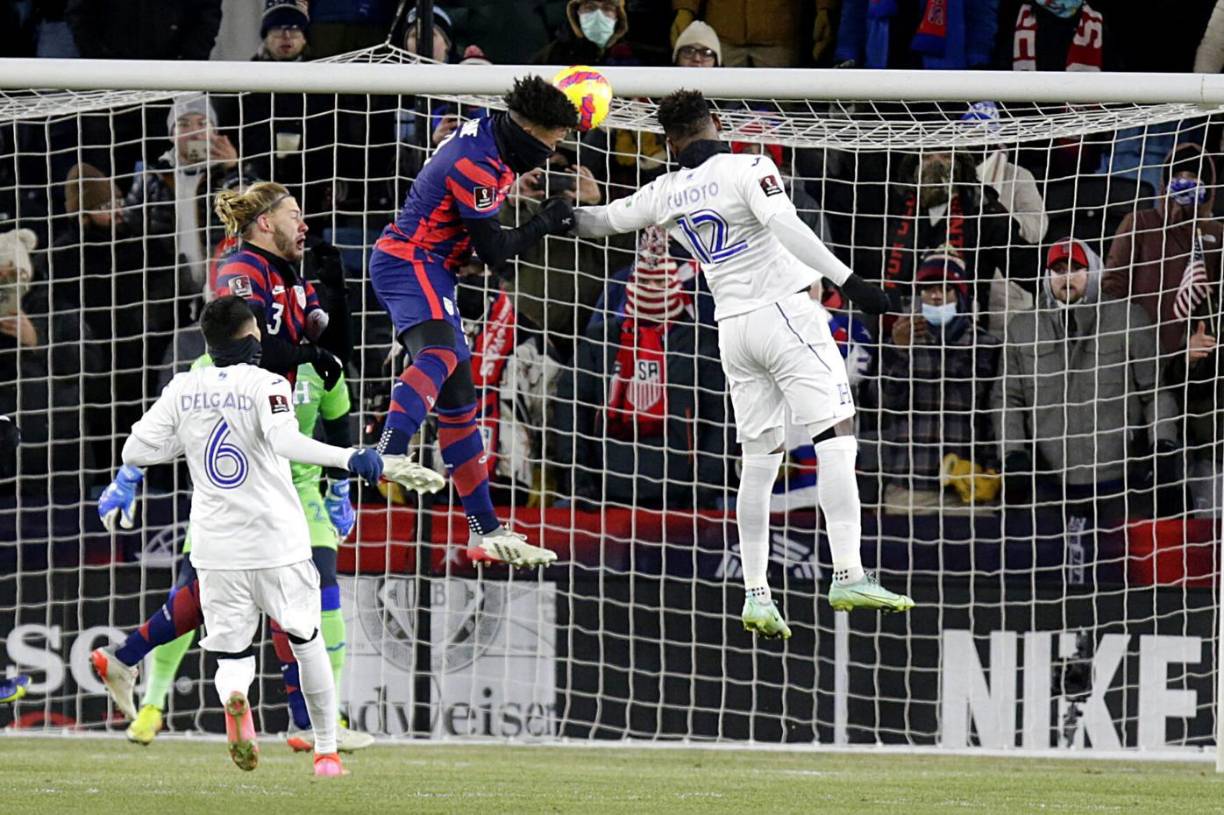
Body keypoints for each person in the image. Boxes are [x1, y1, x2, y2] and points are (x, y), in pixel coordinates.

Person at [573, 90, 914, 637]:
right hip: (785, 312)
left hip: (733, 330)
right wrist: (852, 283)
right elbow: (785, 226)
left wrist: (543, 219)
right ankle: (848, 571)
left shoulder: (664, 190)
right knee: (836, 437)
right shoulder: (748, 166)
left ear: (669, 139)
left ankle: (757, 591)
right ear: (717, 122)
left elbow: (597, 221)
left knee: (759, 462)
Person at [93, 295, 385, 777]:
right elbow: (284, 441)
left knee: (231, 651)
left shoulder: (183, 388)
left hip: (215, 548)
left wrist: (157, 460)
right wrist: (348, 457)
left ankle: (233, 698)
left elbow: (137, 447)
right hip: (276, 543)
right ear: (253, 338)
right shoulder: (268, 383)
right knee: (306, 638)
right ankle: (327, 751)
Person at [368, 76, 577, 568]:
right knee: (439, 355)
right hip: (409, 261)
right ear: (530, 130)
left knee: (461, 403)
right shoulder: (478, 164)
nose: (551, 154)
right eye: (552, 142)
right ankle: (390, 449)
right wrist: (547, 220)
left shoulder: (490, 136)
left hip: (434, 267)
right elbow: (496, 252)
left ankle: (485, 532)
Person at [994, 238, 1178, 526]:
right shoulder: (1021, 328)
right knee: (1051, 570)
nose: (1066, 277)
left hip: (1121, 484)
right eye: (1058, 269)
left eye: (1075, 268)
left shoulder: (1129, 319)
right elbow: (1007, 398)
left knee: (1119, 568)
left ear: (1093, 271)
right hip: (1048, 487)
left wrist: (1163, 443)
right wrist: (1012, 452)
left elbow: (1156, 391)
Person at [554, 226, 731, 509]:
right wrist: (578, 479)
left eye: (658, 285)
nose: (650, 292)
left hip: (680, 498)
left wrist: (702, 489)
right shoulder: (600, 340)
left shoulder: (703, 343)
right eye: (643, 283)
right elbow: (571, 406)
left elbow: (721, 421)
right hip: (603, 494)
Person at [879, 252, 1001, 513]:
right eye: (928, 289)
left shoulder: (987, 346)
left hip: (969, 488)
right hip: (910, 488)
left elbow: (994, 415)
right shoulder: (902, 341)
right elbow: (886, 406)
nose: (935, 296)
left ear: (960, 295)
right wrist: (899, 352)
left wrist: (993, 471)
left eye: (945, 288)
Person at [534, 0, 630, 66]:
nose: (598, 14)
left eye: (607, 8)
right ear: (577, 12)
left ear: (619, 16)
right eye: (590, 7)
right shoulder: (551, 56)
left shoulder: (637, 56)